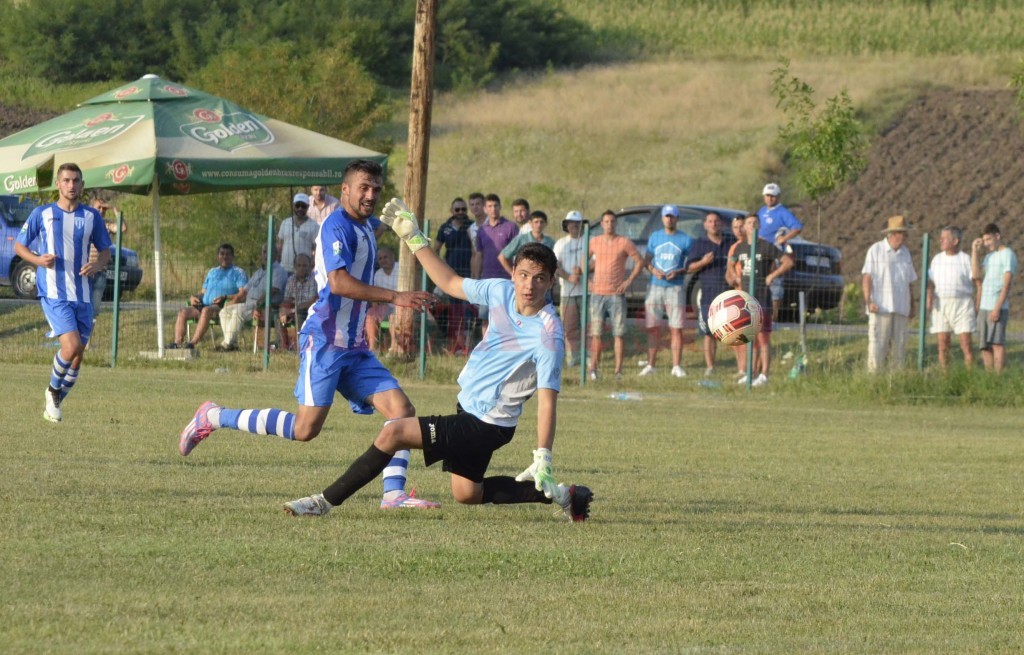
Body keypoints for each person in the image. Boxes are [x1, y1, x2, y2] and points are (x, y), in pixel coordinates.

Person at [282, 200, 593, 522]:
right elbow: (449, 282)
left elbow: (547, 400)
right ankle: (566, 496)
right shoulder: (501, 291)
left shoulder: (548, 334)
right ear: (513, 273)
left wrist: (543, 455)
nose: (529, 285)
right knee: (467, 493)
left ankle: (322, 502)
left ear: (551, 282)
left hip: (487, 423)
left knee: (394, 433)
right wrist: (414, 238)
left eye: (539, 278)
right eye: (524, 275)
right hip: (470, 407)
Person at [178, 160, 440, 510]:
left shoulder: (364, 225)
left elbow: (377, 229)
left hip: (354, 347)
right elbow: (338, 282)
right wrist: (395, 296)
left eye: (376, 189)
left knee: (402, 411)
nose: (371, 195)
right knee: (305, 430)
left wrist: (404, 227)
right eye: (363, 187)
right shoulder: (335, 225)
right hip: (326, 342)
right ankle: (212, 416)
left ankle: (393, 494)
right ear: (344, 190)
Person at [14, 162, 112, 424]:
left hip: (83, 294)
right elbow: (19, 247)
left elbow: (105, 252)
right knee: (71, 347)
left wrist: (97, 265)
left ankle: (54, 402)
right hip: (54, 292)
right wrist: (38, 260)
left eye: (76, 180)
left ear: (82, 185)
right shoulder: (42, 213)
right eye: (66, 180)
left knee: (78, 355)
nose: (71, 185)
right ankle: (52, 390)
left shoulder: (91, 216)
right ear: (58, 184)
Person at [733, 214, 794, 386]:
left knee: (763, 337)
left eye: (755, 222)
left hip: (762, 297)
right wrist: (733, 276)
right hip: (746, 298)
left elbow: (787, 262)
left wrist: (772, 276)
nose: (752, 225)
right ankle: (751, 373)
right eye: (749, 223)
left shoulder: (766, 246)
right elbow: (731, 265)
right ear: (744, 227)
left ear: (759, 226)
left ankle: (765, 374)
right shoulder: (740, 248)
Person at [587, 210, 645, 381]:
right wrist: (586, 282)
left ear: (616, 223)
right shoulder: (594, 242)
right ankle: (593, 368)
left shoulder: (624, 242)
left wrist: (628, 281)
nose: (609, 224)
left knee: (618, 333)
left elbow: (640, 261)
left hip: (616, 295)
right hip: (597, 294)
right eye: (606, 221)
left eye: (612, 221)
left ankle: (618, 370)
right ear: (602, 224)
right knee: (596, 333)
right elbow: (583, 262)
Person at [639, 205, 692, 378]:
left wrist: (678, 271)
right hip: (655, 286)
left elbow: (690, 265)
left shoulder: (685, 239)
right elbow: (647, 260)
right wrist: (653, 270)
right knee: (653, 327)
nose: (669, 219)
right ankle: (651, 365)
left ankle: (676, 366)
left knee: (676, 328)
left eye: (672, 216)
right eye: (666, 216)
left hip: (675, 288)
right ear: (662, 218)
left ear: (677, 218)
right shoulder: (655, 237)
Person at [861, 215, 917, 373]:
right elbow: (867, 277)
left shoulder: (905, 253)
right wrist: (868, 301)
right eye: (903, 233)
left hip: (901, 308)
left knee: (899, 350)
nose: (906, 237)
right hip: (881, 308)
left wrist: (912, 305)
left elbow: (909, 282)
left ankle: (895, 380)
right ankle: (874, 381)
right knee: (877, 349)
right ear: (893, 234)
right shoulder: (876, 250)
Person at [167, 243, 248, 350]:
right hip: (203, 304)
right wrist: (193, 297)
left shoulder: (238, 272)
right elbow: (203, 292)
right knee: (183, 312)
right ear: (218, 256)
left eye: (228, 254)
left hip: (222, 306)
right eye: (222, 254)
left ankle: (192, 344)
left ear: (232, 256)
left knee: (206, 310)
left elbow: (243, 293)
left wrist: (226, 297)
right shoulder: (212, 272)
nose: (224, 257)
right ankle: (177, 343)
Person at [685, 211, 736, 376]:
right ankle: (710, 367)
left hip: (730, 294)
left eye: (716, 221)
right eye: (710, 221)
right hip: (709, 295)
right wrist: (703, 262)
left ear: (721, 224)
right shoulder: (700, 244)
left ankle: (742, 369)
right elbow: (688, 268)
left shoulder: (730, 242)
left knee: (735, 332)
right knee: (710, 333)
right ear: (705, 225)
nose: (714, 224)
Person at [217, 244, 288, 352]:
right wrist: (233, 300)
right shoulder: (259, 271)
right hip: (249, 304)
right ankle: (232, 344)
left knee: (238, 312)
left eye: (269, 252)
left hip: (266, 307)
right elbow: (245, 290)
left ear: (276, 254)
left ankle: (227, 344)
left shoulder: (279, 271)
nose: (266, 255)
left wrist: (259, 305)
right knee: (224, 311)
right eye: (264, 252)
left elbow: (273, 291)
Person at [926, 226, 975, 370]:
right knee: (943, 343)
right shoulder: (937, 259)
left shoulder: (966, 259)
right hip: (941, 304)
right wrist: (929, 299)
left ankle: (970, 375)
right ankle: (944, 374)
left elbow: (977, 281)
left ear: (955, 241)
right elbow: (931, 283)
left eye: (944, 238)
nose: (940, 241)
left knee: (966, 344)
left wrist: (977, 304)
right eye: (941, 238)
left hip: (962, 304)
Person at [971, 223, 1017, 373]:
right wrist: (974, 251)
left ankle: (998, 377)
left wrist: (997, 308)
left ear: (997, 236)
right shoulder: (988, 257)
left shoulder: (1008, 254)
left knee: (997, 343)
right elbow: (977, 276)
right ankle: (989, 377)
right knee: (985, 346)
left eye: (989, 239)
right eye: (984, 240)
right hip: (984, 306)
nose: (986, 244)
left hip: (997, 307)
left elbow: (1007, 284)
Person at [470, 193, 519, 333]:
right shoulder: (482, 230)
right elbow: (478, 255)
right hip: (487, 280)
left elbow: (518, 253)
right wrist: (476, 278)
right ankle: (486, 345)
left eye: (495, 206)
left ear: (500, 207)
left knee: (506, 318)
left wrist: (516, 274)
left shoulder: (511, 227)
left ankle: (505, 345)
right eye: (490, 206)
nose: (493, 209)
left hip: (506, 280)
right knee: (486, 318)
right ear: (485, 209)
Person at [432, 197, 475, 354]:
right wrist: (440, 267)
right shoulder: (445, 228)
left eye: (463, 209)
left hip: (468, 275)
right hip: (449, 277)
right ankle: (453, 341)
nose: (461, 212)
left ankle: (466, 346)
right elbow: (435, 249)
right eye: (457, 209)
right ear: (451, 211)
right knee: (451, 309)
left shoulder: (472, 226)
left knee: (467, 310)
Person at [757, 183, 803, 320]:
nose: (770, 198)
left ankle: (773, 318)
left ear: (778, 197)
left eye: (773, 196)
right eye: (768, 195)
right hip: (761, 252)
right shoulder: (762, 211)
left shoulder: (782, 212)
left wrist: (784, 238)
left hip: (775, 253)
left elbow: (797, 227)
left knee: (775, 284)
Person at [553, 211, 587, 367]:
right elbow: (555, 265)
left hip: (587, 292)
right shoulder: (560, 243)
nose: (574, 225)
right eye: (571, 222)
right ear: (566, 225)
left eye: (577, 223)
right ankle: (573, 358)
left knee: (588, 327)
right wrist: (569, 277)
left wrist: (583, 270)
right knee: (569, 328)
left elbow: (595, 262)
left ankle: (588, 357)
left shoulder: (589, 241)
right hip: (567, 293)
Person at [725, 215, 749, 378]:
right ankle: (741, 369)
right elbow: (729, 270)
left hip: (751, 294)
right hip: (737, 294)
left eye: (741, 226)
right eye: (735, 227)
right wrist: (732, 278)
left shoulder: (754, 245)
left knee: (747, 335)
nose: (739, 230)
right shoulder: (734, 248)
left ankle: (748, 370)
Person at [278, 253, 317, 351]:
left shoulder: (314, 280)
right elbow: (287, 299)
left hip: (309, 311)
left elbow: (311, 301)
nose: (302, 268)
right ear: (295, 267)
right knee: (279, 315)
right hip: (294, 310)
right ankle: (284, 346)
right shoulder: (291, 280)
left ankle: (300, 347)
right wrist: (283, 310)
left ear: (309, 266)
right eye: (299, 265)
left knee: (299, 315)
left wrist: (292, 310)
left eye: (304, 266)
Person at [498, 210, 555, 276]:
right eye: (536, 222)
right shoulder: (521, 239)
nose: (539, 225)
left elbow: (554, 262)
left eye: (541, 222)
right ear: (530, 223)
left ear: (546, 223)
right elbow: (502, 257)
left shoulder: (550, 242)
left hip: (541, 277)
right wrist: (512, 273)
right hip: (523, 276)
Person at [276, 192, 318, 275]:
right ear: (293, 206)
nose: (300, 208)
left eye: (303, 206)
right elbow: (280, 246)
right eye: (297, 205)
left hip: (304, 271)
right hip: (284, 269)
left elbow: (316, 249)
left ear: (308, 207)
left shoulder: (314, 226)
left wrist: (313, 262)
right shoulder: (285, 223)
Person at [366, 246, 398, 352]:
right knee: (370, 314)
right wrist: (375, 309)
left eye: (385, 257)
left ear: (393, 257)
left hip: (403, 306)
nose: (383, 260)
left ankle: (394, 348)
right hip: (387, 306)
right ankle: (373, 348)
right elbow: (374, 296)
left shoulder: (401, 268)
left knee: (393, 316)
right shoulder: (378, 274)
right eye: (380, 258)